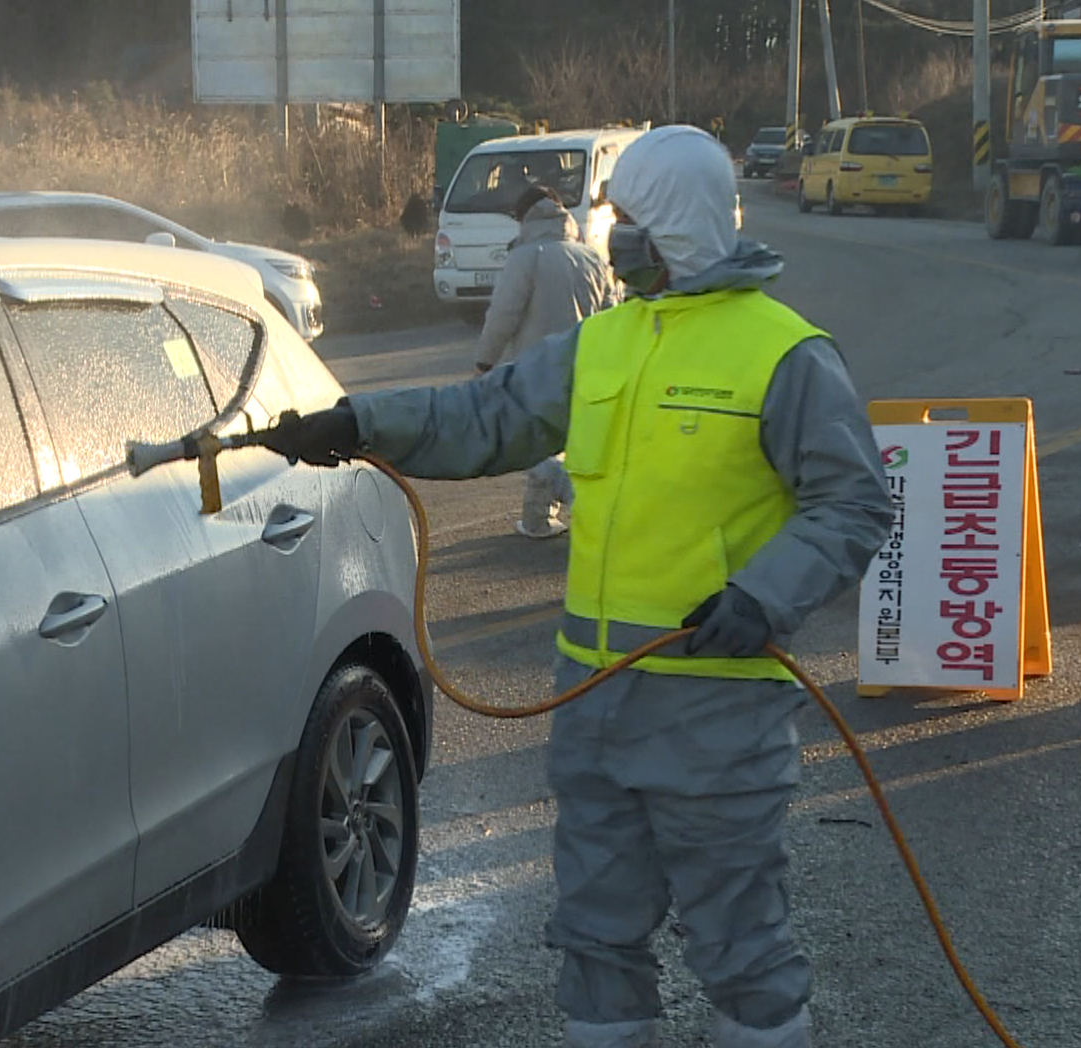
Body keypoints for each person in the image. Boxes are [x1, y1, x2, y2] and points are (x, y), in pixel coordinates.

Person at [258, 125, 893, 1048]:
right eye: (614, 217)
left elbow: (853, 504)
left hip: (717, 715)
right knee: (594, 941)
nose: (615, 234)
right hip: (596, 706)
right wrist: (359, 421)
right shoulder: (606, 343)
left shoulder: (784, 355)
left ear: (674, 224)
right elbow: (483, 417)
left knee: (740, 948)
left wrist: (761, 598)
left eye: (630, 218)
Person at [475, 183, 618, 539]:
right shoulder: (591, 256)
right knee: (564, 443)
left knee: (540, 447)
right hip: (587, 367)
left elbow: (503, 315)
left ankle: (585, 504)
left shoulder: (525, 257)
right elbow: (613, 315)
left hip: (535, 368)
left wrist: (485, 360)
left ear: (524, 217)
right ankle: (537, 519)